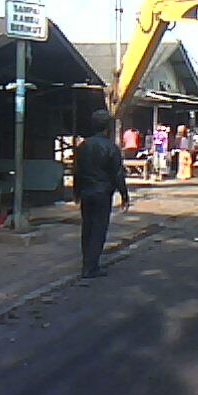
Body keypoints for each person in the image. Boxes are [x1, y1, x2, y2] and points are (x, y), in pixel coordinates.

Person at [73, 109, 130, 278]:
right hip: (103, 193)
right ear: (108, 128)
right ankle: (91, 267)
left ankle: (86, 263)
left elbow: (77, 170)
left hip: (86, 192)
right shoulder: (111, 148)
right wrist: (124, 195)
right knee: (99, 229)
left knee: (87, 227)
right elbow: (118, 174)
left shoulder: (83, 146)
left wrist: (76, 191)